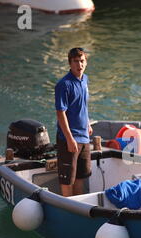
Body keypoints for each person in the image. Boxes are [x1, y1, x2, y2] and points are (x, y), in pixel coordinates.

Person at [55, 47, 93, 197]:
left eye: (82, 61)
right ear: (70, 63)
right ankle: (67, 211)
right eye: (76, 61)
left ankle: (78, 208)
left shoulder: (85, 79)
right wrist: (70, 139)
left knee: (80, 179)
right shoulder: (63, 84)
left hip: (84, 137)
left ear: (86, 62)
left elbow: (83, 104)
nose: (79, 65)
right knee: (67, 181)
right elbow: (60, 112)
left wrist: (88, 123)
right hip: (69, 140)